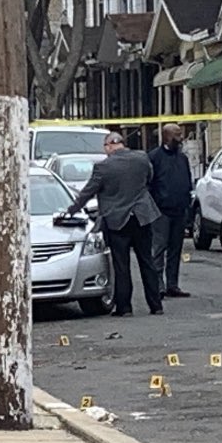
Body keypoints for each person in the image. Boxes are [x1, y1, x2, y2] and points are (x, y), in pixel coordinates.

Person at [63, 132, 163, 317]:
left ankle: (124, 307)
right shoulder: (142, 158)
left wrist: (70, 210)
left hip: (117, 220)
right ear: (122, 144)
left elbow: (87, 193)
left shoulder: (103, 167)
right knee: (147, 261)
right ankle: (156, 305)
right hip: (142, 216)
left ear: (109, 146)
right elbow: (150, 178)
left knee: (121, 264)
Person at [147, 123, 193, 299]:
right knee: (158, 248)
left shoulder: (183, 158)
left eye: (180, 134)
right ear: (166, 136)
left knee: (176, 249)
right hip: (161, 212)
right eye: (177, 135)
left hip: (180, 210)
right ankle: (158, 285)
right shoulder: (154, 157)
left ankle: (172, 284)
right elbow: (149, 185)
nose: (180, 138)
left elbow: (187, 182)